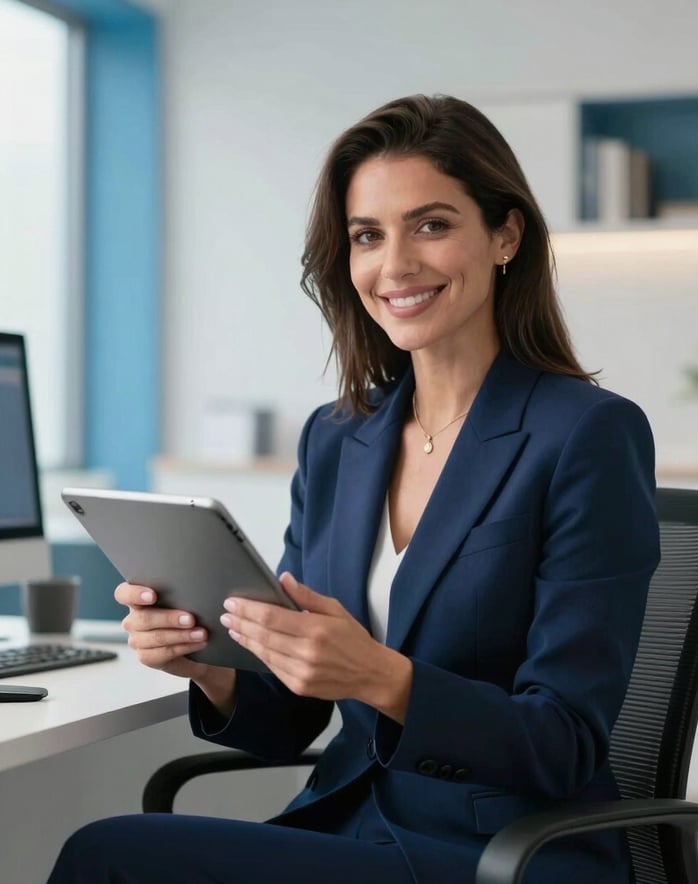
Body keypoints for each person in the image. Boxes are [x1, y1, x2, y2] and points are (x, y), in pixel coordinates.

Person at [47, 94, 660, 884]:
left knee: (109, 854)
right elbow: (292, 716)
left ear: (505, 235)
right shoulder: (340, 438)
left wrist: (380, 675)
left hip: (504, 852)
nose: (394, 265)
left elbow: (564, 741)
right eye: (368, 235)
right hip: (352, 826)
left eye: (431, 225)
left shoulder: (586, 434)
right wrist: (211, 665)